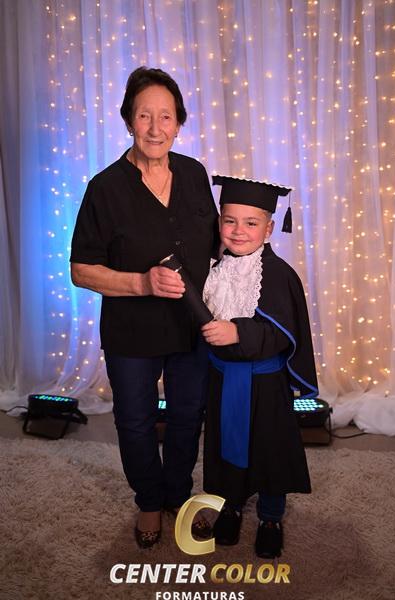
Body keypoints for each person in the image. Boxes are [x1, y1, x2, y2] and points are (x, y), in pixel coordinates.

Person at [70, 67, 219, 548]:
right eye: (144, 116)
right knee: (135, 420)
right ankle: (149, 502)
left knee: (187, 416)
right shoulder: (105, 188)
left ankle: (178, 495)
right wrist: (141, 281)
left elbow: (213, 245)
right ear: (128, 120)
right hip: (131, 330)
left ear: (179, 123)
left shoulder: (194, 174)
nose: (156, 128)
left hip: (191, 326)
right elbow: (81, 270)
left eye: (166, 117)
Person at [201, 175, 318, 558]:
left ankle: (270, 518)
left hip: (264, 384)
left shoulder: (278, 274)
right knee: (225, 446)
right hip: (222, 378)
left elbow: (284, 332)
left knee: (269, 450)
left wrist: (238, 332)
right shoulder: (214, 269)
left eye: (251, 223)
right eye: (230, 220)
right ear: (219, 222)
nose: (238, 231)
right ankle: (231, 507)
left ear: (268, 229)